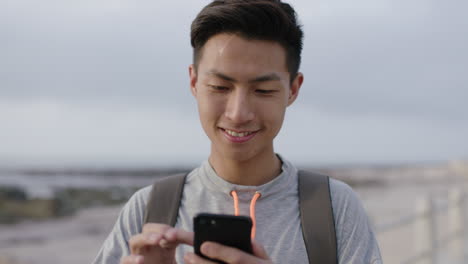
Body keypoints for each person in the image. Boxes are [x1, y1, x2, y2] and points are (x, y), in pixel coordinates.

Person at [93, 0, 383, 263]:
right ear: (194, 82)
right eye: (220, 87)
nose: (238, 113)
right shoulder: (148, 210)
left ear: (293, 89)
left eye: (263, 90)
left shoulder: (335, 208)